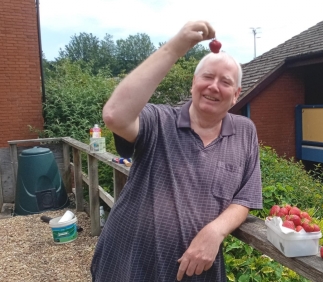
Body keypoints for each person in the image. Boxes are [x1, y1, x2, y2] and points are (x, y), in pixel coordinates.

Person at [91, 21, 263, 281]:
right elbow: (115, 115)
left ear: (236, 94)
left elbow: (245, 198)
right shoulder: (159, 120)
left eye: (225, 82)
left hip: (195, 271)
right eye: (207, 77)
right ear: (193, 83)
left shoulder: (245, 131)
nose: (214, 86)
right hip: (127, 264)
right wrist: (177, 46)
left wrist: (216, 231)